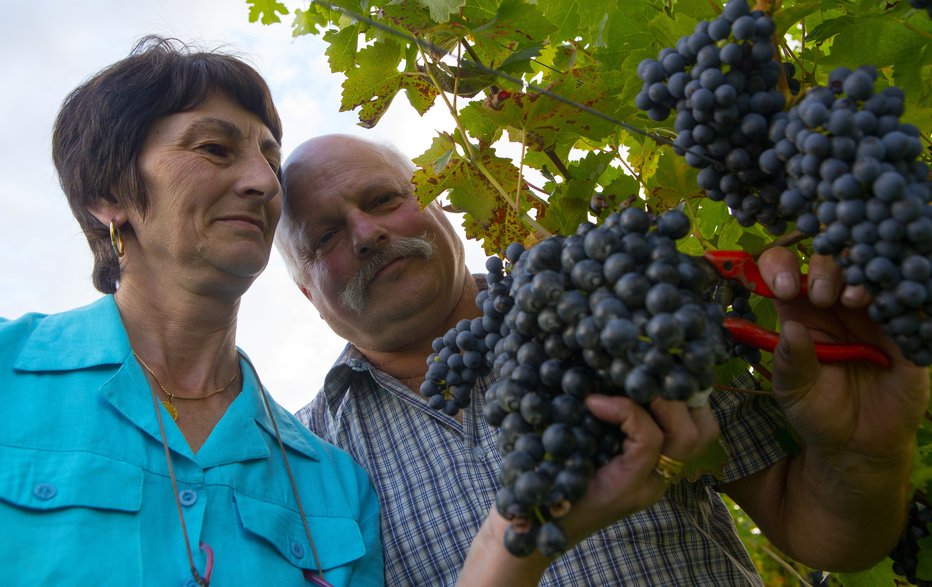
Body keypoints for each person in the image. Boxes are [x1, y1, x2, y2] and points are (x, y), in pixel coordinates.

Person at [276, 133, 930, 586]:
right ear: (306, 290)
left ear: (435, 199)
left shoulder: (615, 307)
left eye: (383, 199)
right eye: (326, 236)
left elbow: (821, 534)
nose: (368, 235)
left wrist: (863, 455)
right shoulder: (295, 463)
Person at [0, 39, 384, 586]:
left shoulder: (338, 485)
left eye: (271, 160)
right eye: (213, 148)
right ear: (109, 194)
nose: (263, 182)